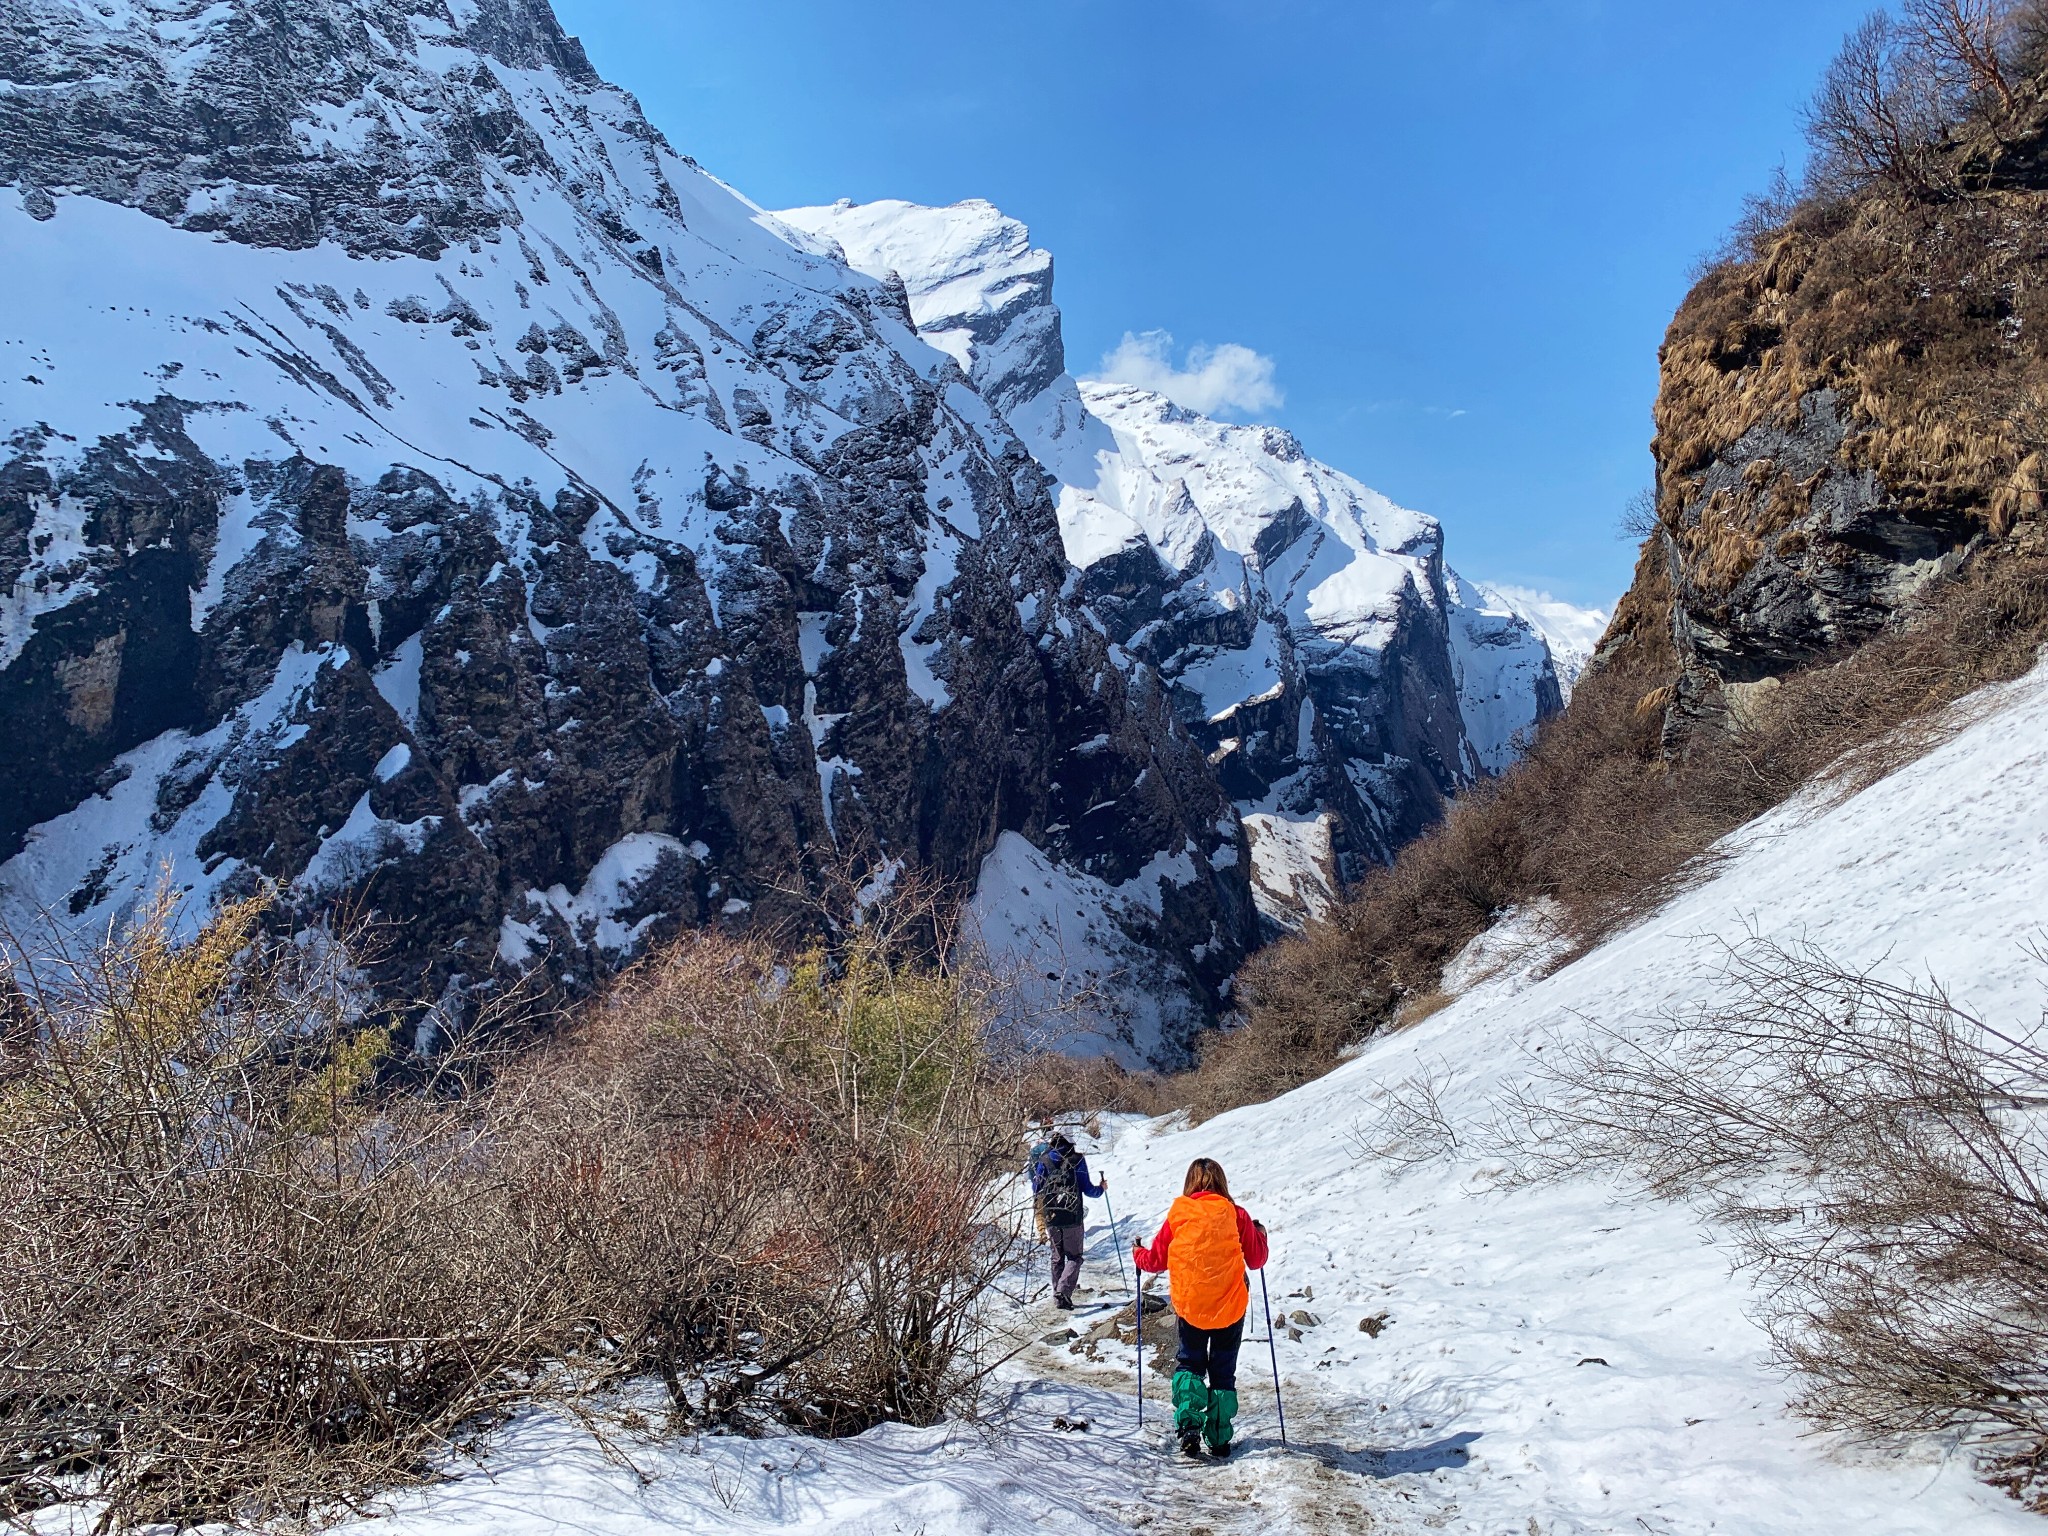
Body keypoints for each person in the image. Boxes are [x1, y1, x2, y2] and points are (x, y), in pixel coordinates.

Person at [1132, 1157, 1268, 1459]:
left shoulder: (1179, 1213)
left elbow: (1155, 1260)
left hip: (1191, 1305)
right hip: (1230, 1307)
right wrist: (1261, 1236)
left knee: (1190, 1364)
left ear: (1190, 1183)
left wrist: (1138, 1254)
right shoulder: (1236, 1214)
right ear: (1222, 1182)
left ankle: (1189, 1425)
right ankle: (1219, 1439)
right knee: (1222, 1373)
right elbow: (1257, 1260)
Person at [1027, 1130, 1106, 1309]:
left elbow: (1036, 1188)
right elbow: (1087, 1189)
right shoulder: (1077, 1159)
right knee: (1074, 1257)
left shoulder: (1044, 1160)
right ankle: (1063, 1291)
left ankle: (1058, 1295)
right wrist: (1101, 1189)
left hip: (1051, 1215)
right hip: (1072, 1215)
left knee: (1057, 1257)